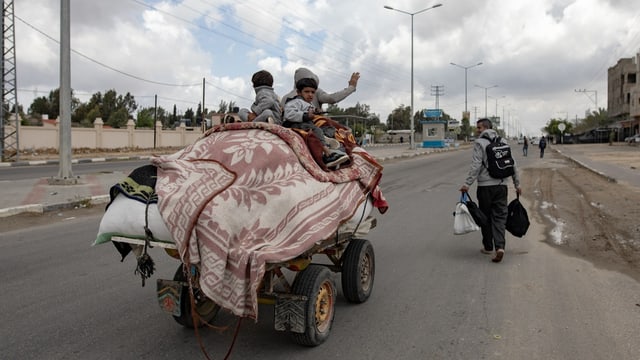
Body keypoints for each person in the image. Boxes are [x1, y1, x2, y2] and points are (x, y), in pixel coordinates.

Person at [460, 118, 522, 263]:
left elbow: (475, 166)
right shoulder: (503, 142)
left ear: (485, 128)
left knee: (485, 217)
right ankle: (500, 247)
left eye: (479, 128)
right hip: (502, 186)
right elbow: (512, 164)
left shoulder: (479, 143)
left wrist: (467, 184)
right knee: (500, 217)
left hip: (485, 187)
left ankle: (488, 247)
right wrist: (517, 184)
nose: (477, 130)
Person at [283, 77, 350, 169]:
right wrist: (305, 116)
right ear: (299, 92)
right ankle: (327, 153)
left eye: (312, 92)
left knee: (328, 130)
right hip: (296, 125)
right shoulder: (295, 102)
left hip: (308, 124)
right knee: (316, 131)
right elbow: (289, 114)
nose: (310, 95)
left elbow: (310, 111)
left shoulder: (308, 103)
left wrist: (316, 111)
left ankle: (331, 147)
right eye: (307, 92)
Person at [281, 67, 360, 111]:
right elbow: (331, 99)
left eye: (312, 92)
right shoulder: (315, 91)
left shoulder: (285, 98)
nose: (310, 94)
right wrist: (351, 88)